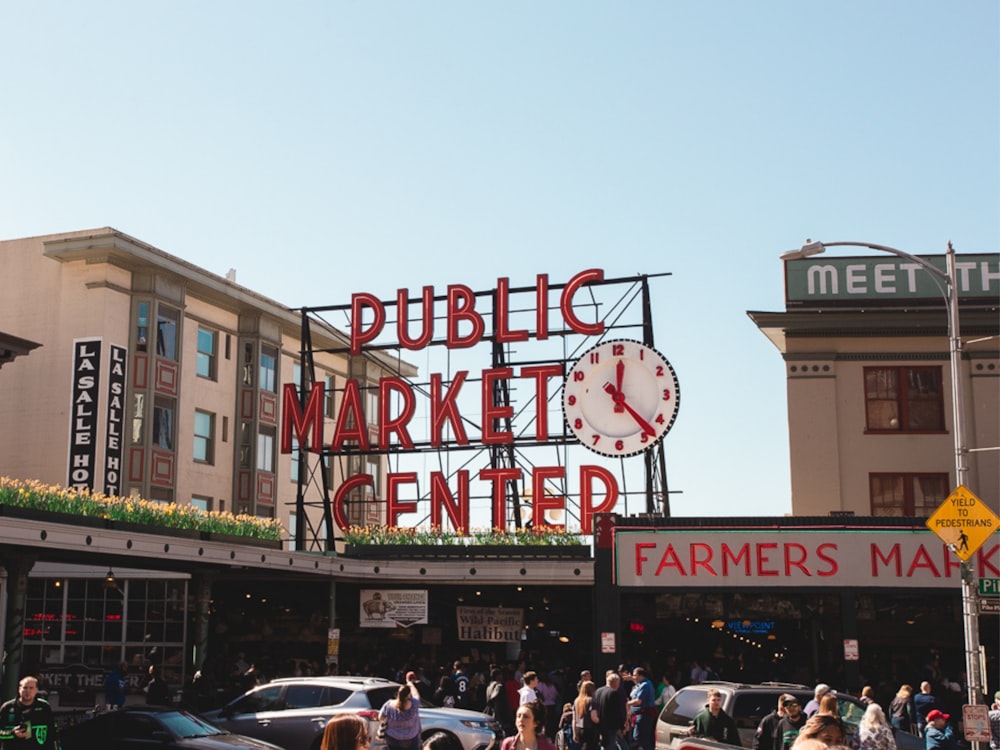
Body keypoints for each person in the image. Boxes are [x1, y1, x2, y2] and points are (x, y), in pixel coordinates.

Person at [0, 675, 58, 750]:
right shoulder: (7, 707)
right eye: (25, 688)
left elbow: (53, 735)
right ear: (19, 689)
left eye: (31, 688)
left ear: (36, 690)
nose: (28, 691)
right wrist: (12, 733)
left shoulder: (44, 707)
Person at [380, 679, 422, 750]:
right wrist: (409, 683)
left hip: (392, 738)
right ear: (409, 695)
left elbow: (381, 717)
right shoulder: (414, 704)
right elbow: (416, 694)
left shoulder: (389, 704)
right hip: (411, 738)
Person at [593, 670, 626, 750]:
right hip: (611, 725)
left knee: (604, 745)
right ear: (617, 683)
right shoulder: (613, 693)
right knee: (611, 745)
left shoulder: (598, 691)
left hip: (600, 724)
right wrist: (622, 726)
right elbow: (617, 711)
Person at [626, 667, 656, 750]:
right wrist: (631, 679)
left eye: (635, 675)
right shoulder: (641, 684)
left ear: (640, 676)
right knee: (639, 737)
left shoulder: (645, 685)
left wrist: (627, 703)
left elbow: (639, 701)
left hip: (644, 715)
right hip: (638, 715)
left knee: (640, 737)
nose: (633, 677)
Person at [485, 668, 515, 738]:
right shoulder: (499, 686)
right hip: (500, 714)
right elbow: (501, 702)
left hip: (490, 712)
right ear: (498, 676)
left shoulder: (489, 686)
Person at [573, 681, 600, 750]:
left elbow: (574, 719)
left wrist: (574, 733)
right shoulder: (591, 701)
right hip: (590, 729)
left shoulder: (576, 701)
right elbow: (594, 718)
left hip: (579, 728)